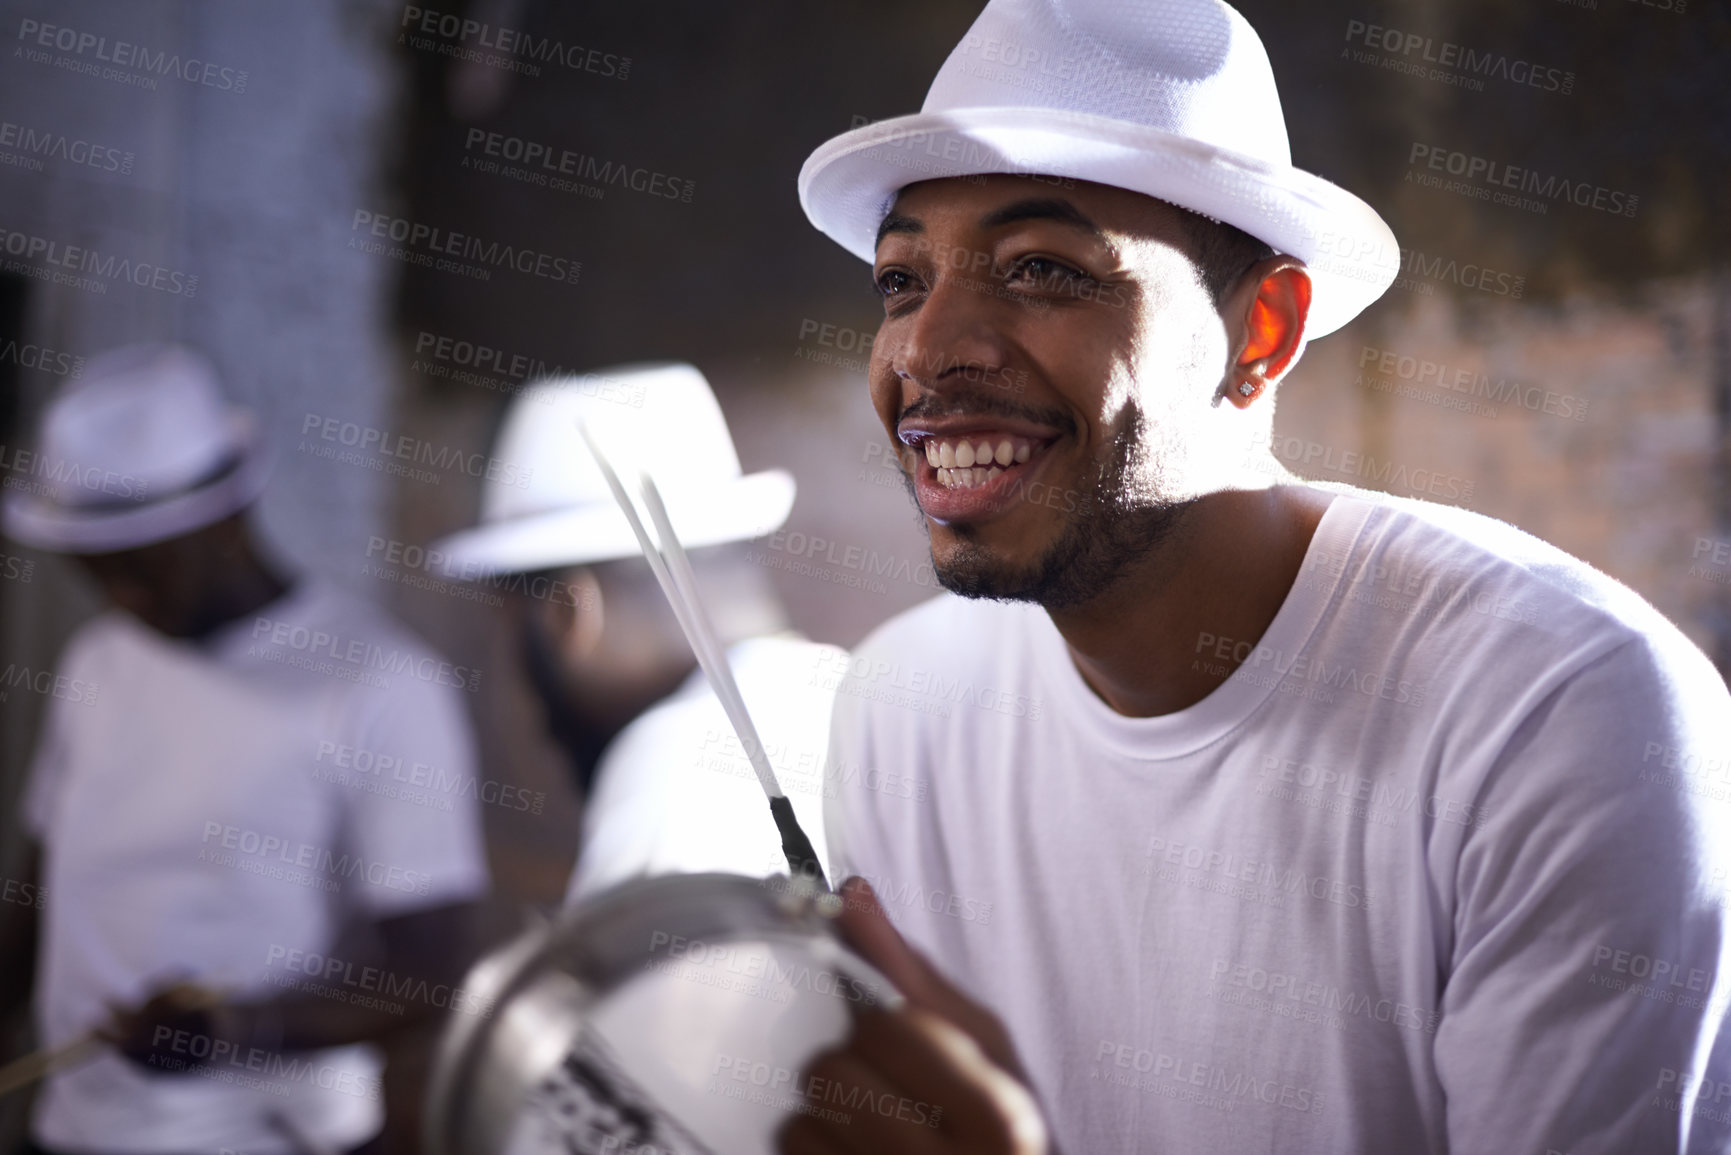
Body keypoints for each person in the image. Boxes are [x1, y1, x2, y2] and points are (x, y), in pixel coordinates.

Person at [781, 0, 1731, 1152]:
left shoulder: (1563, 711)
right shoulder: (899, 711)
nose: (927, 351)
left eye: (1041, 267)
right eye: (900, 281)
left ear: (1264, 330)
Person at [0, 344, 489, 1155]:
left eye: (144, 569)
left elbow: (427, 969)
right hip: (74, 1133)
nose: (124, 597)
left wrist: (231, 1029)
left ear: (226, 518)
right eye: (97, 572)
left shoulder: (381, 684)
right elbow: (40, 892)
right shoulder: (100, 658)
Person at [429, 362, 841, 900]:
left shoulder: (674, 770)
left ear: (568, 613)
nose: (526, 694)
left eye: (513, 628)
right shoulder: (850, 697)